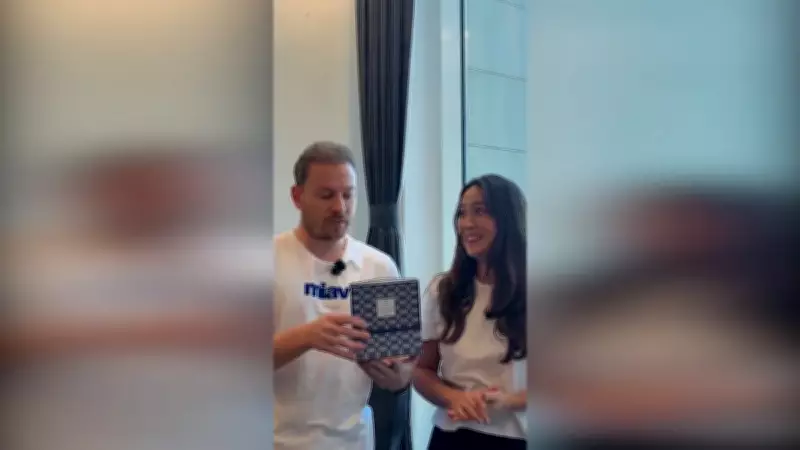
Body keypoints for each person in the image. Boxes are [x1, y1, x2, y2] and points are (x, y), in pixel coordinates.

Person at [5, 146, 274, 450]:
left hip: (225, 434)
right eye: (131, 187)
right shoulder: (37, 263)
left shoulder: (250, 259)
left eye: (162, 186)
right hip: (72, 437)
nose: (149, 199)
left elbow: (279, 337)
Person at [272, 141, 415, 450]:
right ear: (297, 197)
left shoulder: (381, 266)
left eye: (348, 195)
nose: (339, 207)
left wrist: (394, 376)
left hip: (353, 440)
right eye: (326, 195)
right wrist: (305, 337)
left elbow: (403, 375)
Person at [413, 174, 527, 449]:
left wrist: (508, 400)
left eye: (480, 211)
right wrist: (454, 397)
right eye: (462, 213)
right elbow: (421, 370)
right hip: (451, 436)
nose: (467, 223)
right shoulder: (443, 290)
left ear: (508, 219)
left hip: (516, 437)